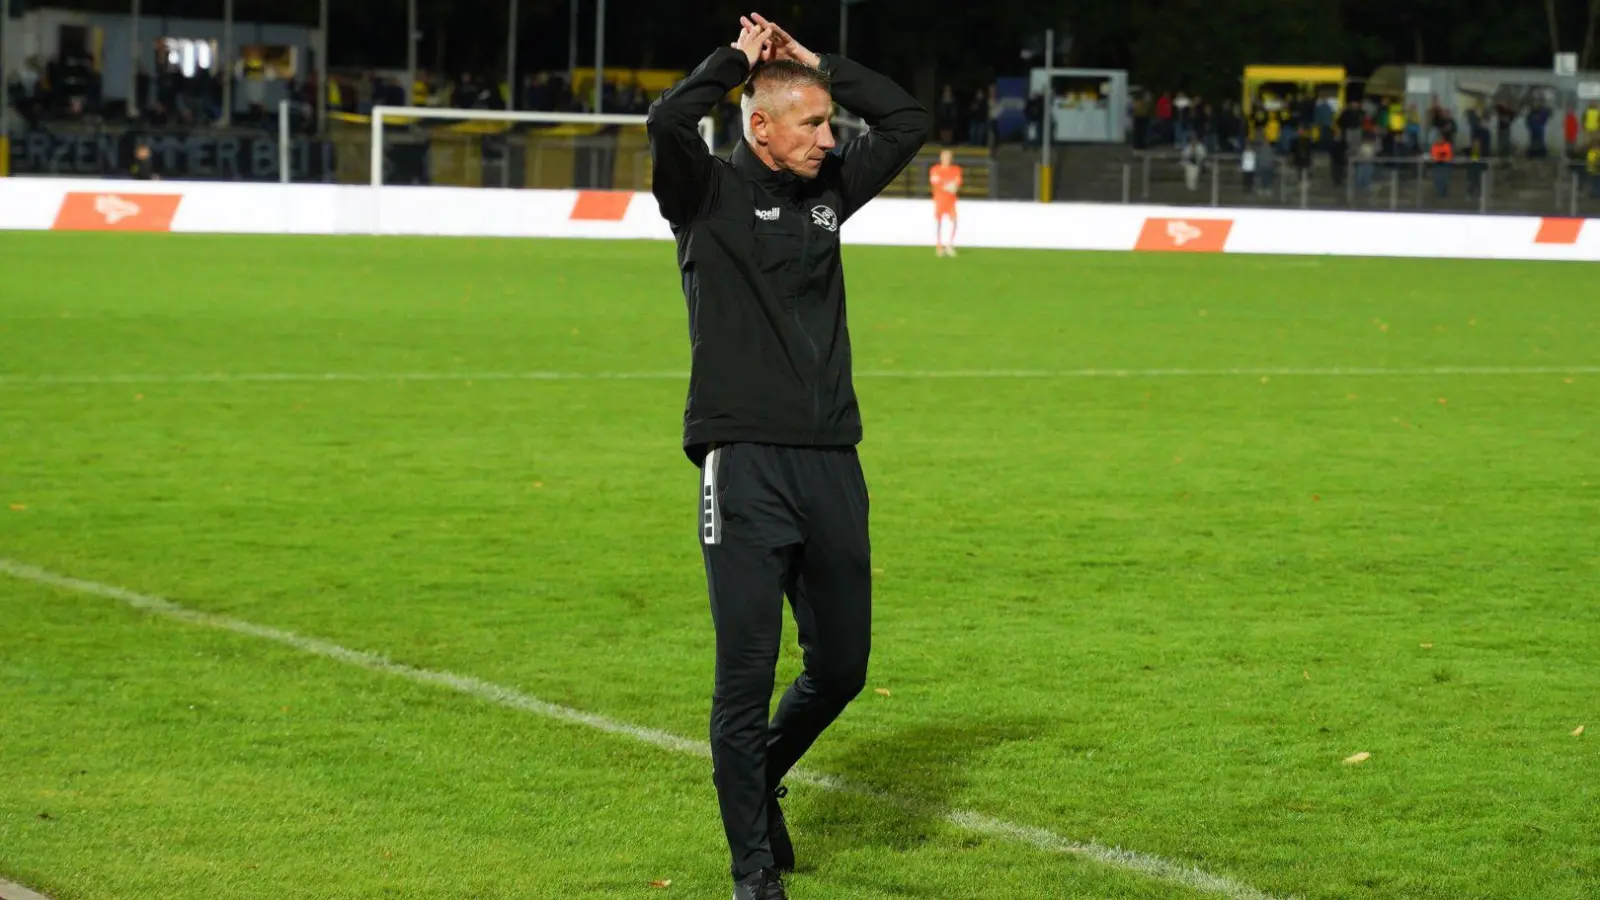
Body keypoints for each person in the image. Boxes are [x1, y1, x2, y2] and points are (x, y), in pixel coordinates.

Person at [645, 13, 930, 900]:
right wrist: (738, 59)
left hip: (832, 460)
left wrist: (816, 65)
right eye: (808, 123)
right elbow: (666, 121)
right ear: (757, 126)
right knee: (743, 676)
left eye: (827, 122)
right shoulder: (701, 193)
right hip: (744, 464)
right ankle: (753, 870)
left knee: (844, 665)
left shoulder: (828, 191)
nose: (827, 137)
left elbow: (907, 121)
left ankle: (757, 777)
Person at [928, 149, 962, 256]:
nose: (946, 159)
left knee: (954, 221)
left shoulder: (956, 169)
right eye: (944, 157)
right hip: (939, 200)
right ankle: (939, 246)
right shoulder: (935, 169)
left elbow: (955, 187)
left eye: (948, 157)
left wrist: (944, 185)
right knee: (939, 223)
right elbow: (934, 180)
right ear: (941, 158)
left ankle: (949, 245)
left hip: (951, 201)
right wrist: (948, 185)